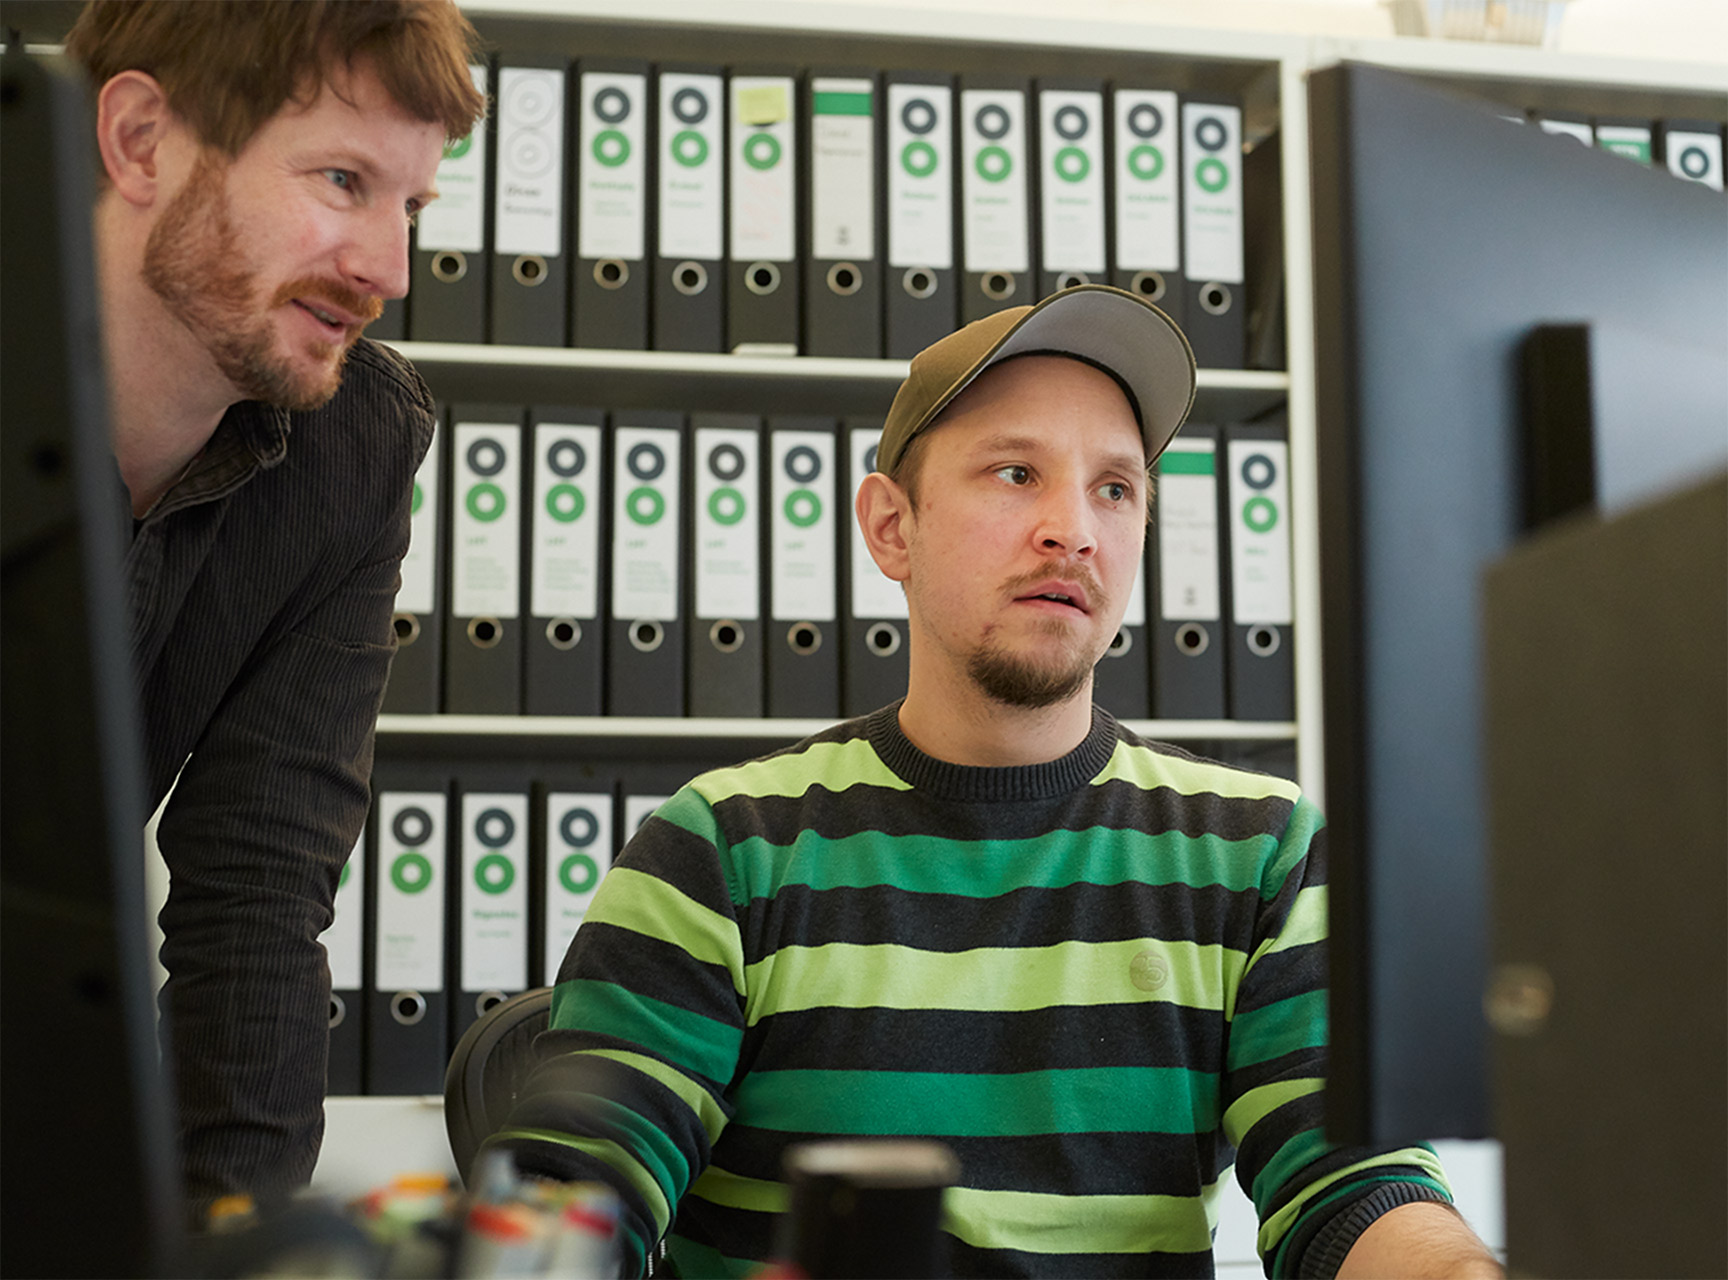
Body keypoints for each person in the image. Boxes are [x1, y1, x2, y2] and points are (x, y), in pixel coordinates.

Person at [486, 285, 1501, 1278]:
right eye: (1016, 472)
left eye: (1115, 488)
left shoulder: (1261, 851)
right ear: (893, 527)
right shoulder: (724, 847)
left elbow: (1353, 1182)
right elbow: (570, 1207)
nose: (1074, 529)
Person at [64, 0, 486, 1212]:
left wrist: (235, 1235)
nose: (388, 271)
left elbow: (259, 880)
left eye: (412, 207)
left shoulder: (352, 448)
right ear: (142, 141)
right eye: (342, 180)